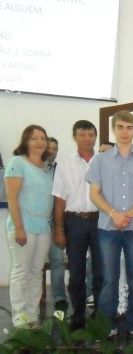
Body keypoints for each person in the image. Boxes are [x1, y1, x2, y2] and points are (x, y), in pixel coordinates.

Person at [86, 110, 133, 342]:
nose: (125, 132)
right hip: (108, 227)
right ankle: (107, 324)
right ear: (114, 130)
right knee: (109, 279)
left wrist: (129, 215)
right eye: (120, 127)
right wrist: (114, 214)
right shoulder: (101, 159)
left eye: (129, 127)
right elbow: (94, 193)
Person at [52, 120, 103, 329]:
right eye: (82, 134)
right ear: (75, 137)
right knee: (76, 272)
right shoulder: (64, 162)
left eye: (91, 134)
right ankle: (79, 315)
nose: (87, 138)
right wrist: (59, 229)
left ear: (95, 137)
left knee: (101, 271)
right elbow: (59, 199)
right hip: (74, 221)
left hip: (100, 220)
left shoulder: (103, 161)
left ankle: (100, 315)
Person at [4, 125, 54, 328]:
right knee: (21, 272)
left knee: (36, 272)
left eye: (43, 138)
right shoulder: (17, 163)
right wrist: (19, 228)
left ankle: (32, 316)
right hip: (23, 225)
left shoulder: (47, 167)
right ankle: (20, 319)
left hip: (44, 226)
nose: (40, 141)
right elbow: (11, 197)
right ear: (26, 141)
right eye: (34, 138)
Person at [46, 136, 68, 312]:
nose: (52, 151)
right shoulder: (32, 168)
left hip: (56, 222)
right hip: (35, 223)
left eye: (55, 148)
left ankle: (60, 298)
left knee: (57, 261)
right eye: (49, 147)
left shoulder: (60, 170)